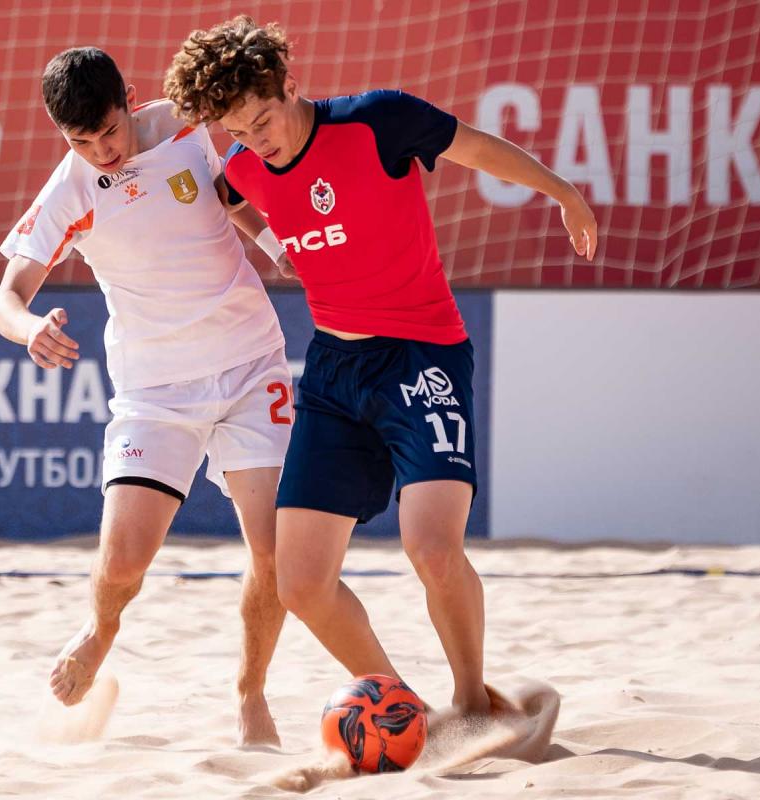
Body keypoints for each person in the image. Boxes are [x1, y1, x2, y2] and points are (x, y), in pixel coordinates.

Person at [164, 17, 598, 720]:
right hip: (334, 371)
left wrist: (563, 192)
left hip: (423, 354)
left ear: (289, 84)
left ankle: (473, 702)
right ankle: (408, 712)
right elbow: (231, 195)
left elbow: (477, 148)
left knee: (431, 548)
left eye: (262, 120)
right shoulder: (243, 165)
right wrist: (274, 245)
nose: (255, 140)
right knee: (300, 582)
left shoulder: (378, 121)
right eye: (237, 131)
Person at [0, 47, 295, 745]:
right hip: (156, 390)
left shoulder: (187, 125)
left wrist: (280, 247)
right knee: (125, 562)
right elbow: (7, 298)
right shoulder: (70, 190)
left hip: (251, 362)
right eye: (81, 141)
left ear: (128, 99)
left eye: (109, 131)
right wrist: (30, 329)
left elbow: (232, 199)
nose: (102, 151)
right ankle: (101, 629)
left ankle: (250, 693)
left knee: (274, 550)